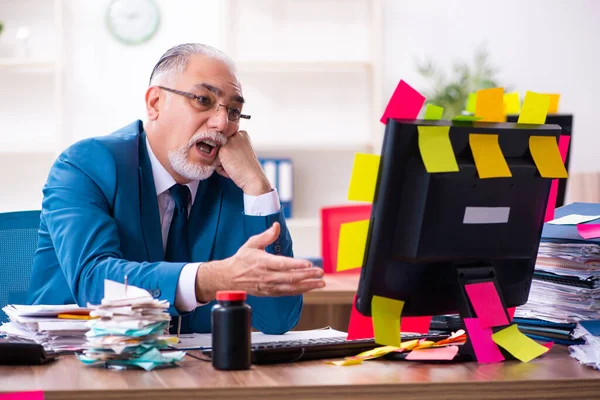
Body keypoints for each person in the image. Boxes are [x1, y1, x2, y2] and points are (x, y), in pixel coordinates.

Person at [27, 43, 326, 334]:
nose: (222, 123)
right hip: (73, 364)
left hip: (186, 373)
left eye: (234, 111)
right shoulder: (86, 165)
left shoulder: (234, 183)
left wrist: (259, 188)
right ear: (155, 103)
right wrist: (213, 278)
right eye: (203, 100)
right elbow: (95, 282)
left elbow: (278, 320)